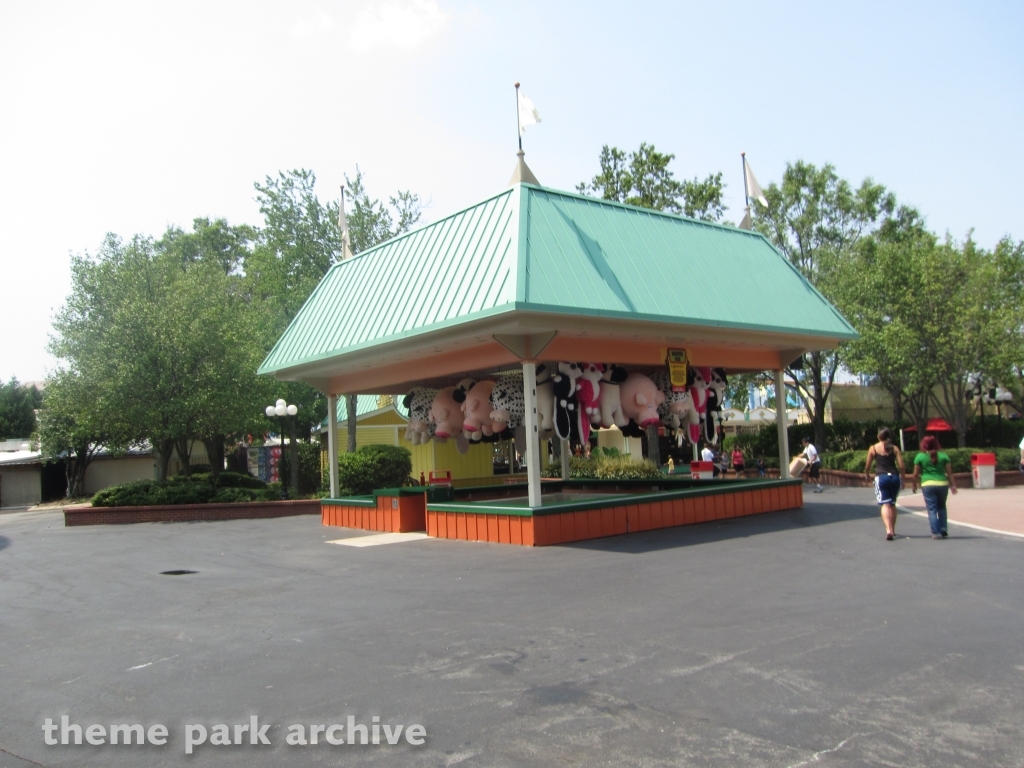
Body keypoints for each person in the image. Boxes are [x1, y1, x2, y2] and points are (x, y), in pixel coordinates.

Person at [911, 435, 957, 539]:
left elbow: (915, 474)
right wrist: (953, 485)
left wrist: (914, 484)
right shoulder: (943, 456)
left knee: (932, 509)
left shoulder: (920, 457)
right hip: (942, 484)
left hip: (927, 484)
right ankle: (944, 529)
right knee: (942, 507)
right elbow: (950, 473)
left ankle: (935, 532)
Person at [864, 427, 906, 541]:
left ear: (879, 436)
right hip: (894, 477)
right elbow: (901, 466)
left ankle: (888, 530)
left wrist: (867, 474)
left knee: (885, 504)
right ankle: (893, 529)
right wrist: (904, 478)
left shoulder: (873, 448)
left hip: (881, 477)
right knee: (892, 504)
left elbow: (867, 465)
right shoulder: (894, 448)